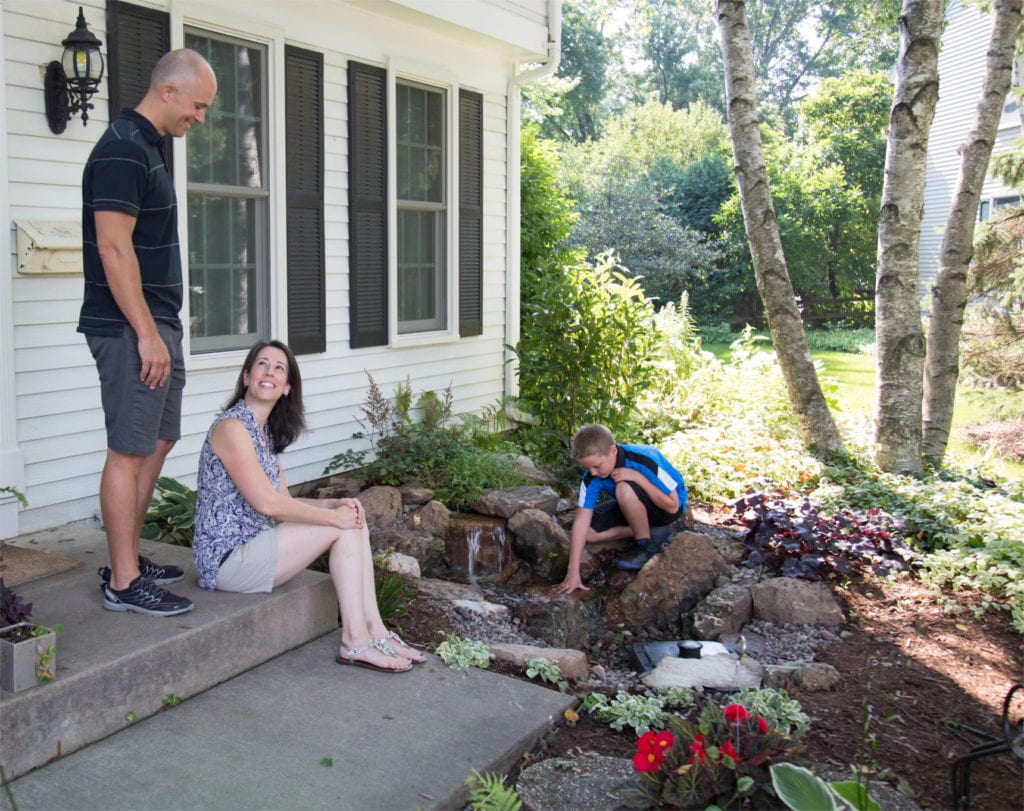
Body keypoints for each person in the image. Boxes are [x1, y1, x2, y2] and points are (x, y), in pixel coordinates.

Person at [80, 49, 217, 616]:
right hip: (129, 326)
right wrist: (145, 333)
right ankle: (124, 583)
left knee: (158, 440)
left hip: (157, 321)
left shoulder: (148, 148)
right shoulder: (121, 149)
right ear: (169, 91)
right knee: (129, 448)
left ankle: (126, 557)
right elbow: (113, 248)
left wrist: (160, 328)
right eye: (199, 105)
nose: (201, 118)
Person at [192, 340, 425, 673]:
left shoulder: (263, 434)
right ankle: (355, 639)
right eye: (261, 364)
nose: (269, 372)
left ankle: (377, 631)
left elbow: (284, 500)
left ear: (287, 388)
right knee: (341, 526)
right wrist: (332, 518)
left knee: (351, 520)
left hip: (254, 548)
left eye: (279, 368)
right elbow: (267, 504)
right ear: (246, 376)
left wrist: (333, 503)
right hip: (227, 560)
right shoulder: (232, 428)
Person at [556, 423, 688, 595]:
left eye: (597, 466)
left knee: (624, 488)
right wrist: (573, 572)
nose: (593, 472)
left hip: (665, 509)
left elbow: (672, 506)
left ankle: (645, 545)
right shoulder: (591, 477)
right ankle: (651, 530)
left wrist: (638, 478)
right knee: (587, 532)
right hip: (632, 505)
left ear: (612, 451)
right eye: (587, 468)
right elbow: (581, 521)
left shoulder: (645, 458)